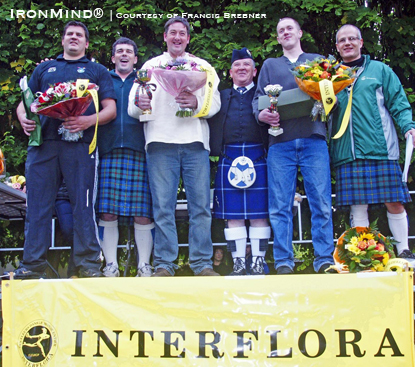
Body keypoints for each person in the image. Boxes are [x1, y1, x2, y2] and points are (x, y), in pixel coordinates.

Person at [13, 21, 116, 279]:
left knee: (83, 207)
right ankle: (32, 265)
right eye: (69, 34)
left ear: (87, 43)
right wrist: (23, 118)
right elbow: (25, 103)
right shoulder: (45, 68)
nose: (74, 38)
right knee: (37, 206)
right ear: (62, 41)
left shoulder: (97, 70)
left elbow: (110, 110)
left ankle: (89, 265)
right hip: (43, 146)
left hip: (81, 147)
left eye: (79, 35)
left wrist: (87, 120)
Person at [128, 17, 221, 276]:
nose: (178, 37)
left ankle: (202, 263)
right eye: (173, 33)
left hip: (195, 143)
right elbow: (132, 107)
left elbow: (215, 104)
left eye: (183, 33)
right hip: (159, 143)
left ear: (188, 39)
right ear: (165, 37)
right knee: (163, 207)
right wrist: (141, 102)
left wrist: (195, 102)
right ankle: (164, 264)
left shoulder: (202, 67)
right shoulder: (150, 66)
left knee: (200, 206)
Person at [253, 17, 334, 274]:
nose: (285, 32)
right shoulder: (269, 65)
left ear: (300, 32)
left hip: (314, 139)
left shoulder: (317, 61)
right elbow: (258, 101)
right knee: (279, 205)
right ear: (277, 39)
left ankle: (324, 260)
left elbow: (333, 98)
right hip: (280, 142)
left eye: (289, 28)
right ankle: (284, 262)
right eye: (280, 31)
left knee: (321, 202)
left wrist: (325, 100)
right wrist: (262, 115)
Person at [330, 24, 415, 262]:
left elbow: (398, 101)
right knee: (358, 206)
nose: (347, 43)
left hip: (381, 148)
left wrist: (408, 126)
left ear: (360, 42)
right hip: (347, 152)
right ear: (337, 46)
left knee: (395, 201)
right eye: (342, 40)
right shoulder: (330, 75)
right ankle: (363, 256)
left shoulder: (380, 70)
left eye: (351, 39)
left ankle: (404, 251)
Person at [210, 47, 271, 276]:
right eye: (237, 65)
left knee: (259, 214)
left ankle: (257, 262)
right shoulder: (220, 96)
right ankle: (237, 263)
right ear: (230, 71)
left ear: (254, 72)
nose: (242, 68)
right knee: (232, 215)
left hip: (259, 156)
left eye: (247, 65)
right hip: (228, 156)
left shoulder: (265, 96)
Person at [97, 37, 154, 277]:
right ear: (112, 58)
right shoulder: (101, 80)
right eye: (119, 51)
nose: (123, 55)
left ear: (135, 58)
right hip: (107, 149)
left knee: (143, 212)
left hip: (139, 149)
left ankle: (144, 266)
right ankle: (111, 265)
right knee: (107, 211)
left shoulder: (147, 81)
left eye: (128, 52)